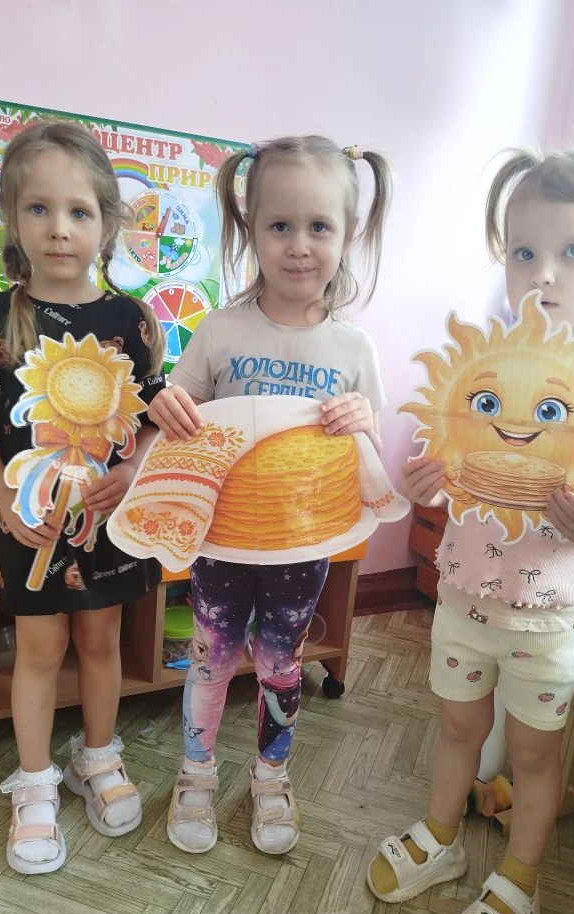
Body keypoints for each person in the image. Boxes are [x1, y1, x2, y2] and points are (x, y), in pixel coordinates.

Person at [367, 150, 574, 914]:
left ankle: (521, 880)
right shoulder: (480, 366)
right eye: (524, 251)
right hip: (463, 600)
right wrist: (422, 478)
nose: (543, 273)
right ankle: (441, 835)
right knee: (457, 726)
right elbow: (444, 464)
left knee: (531, 755)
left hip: (552, 621)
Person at [148, 135, 392, 854]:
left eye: (319, 226)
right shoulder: (220, 330)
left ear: (348, 234)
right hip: (222, 540)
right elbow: (177, 416)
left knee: (283, 665)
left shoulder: (353, 348)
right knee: (210, 658)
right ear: (249, 228)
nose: (298, 245)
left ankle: (270, 776)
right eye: (279, 225)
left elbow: (370, 449)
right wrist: (165, 405)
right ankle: (196, 772)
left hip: (301, 545)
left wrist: (362, 420)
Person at [0, 120, 167, 874]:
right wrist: (6, 505)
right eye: (38, 208)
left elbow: (155, 417)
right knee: (40, 650)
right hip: (29, 525)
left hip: (108, 520)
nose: (59, 228)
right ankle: (36, 781)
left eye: (78, 211)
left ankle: (96, 757)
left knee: (102, 640)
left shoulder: (133, 320)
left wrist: (133, 473)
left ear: (107, 222)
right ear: (12, 219)